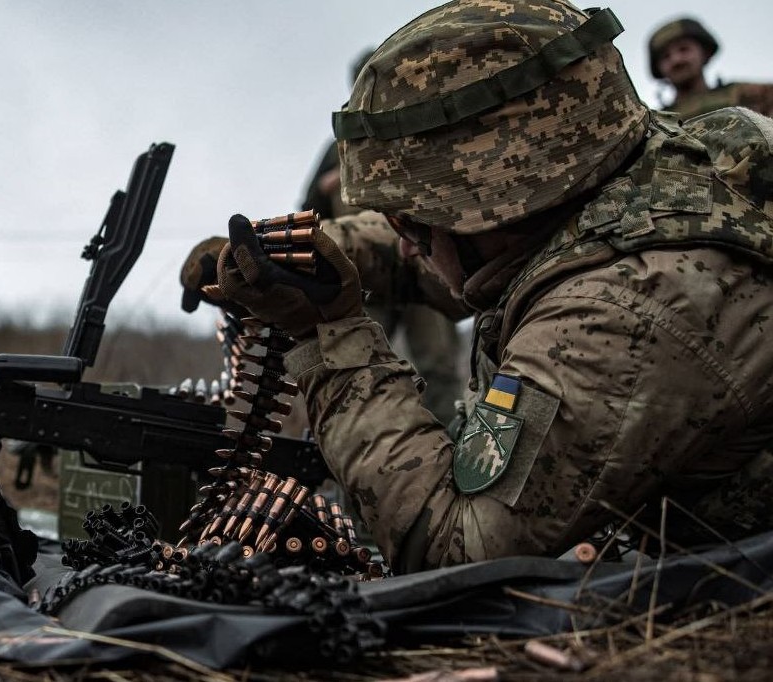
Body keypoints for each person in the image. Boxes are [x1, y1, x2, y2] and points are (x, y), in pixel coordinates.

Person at [214, 0, 773, 573]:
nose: (406, 243)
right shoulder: (643, 167)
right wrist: (307, 246)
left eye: (414, 223)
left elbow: (455, 549)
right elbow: (456, 258)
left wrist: (327, 336)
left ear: (487, 212)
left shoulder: (617, 314)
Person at [298, 50, 461, 422]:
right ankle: (361, 438)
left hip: (424, 259)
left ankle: (451, 438)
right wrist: (331, 185)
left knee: (437, 363)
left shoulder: (417, 129)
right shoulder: (338, 147)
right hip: (362, 273)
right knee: (358, 363)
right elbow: (308, 210)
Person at [649, 17, 773, 118]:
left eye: (684, 49)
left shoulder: (749, 95)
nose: (676, 60)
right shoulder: (656, 123)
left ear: (705, 53)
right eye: (666, 57)